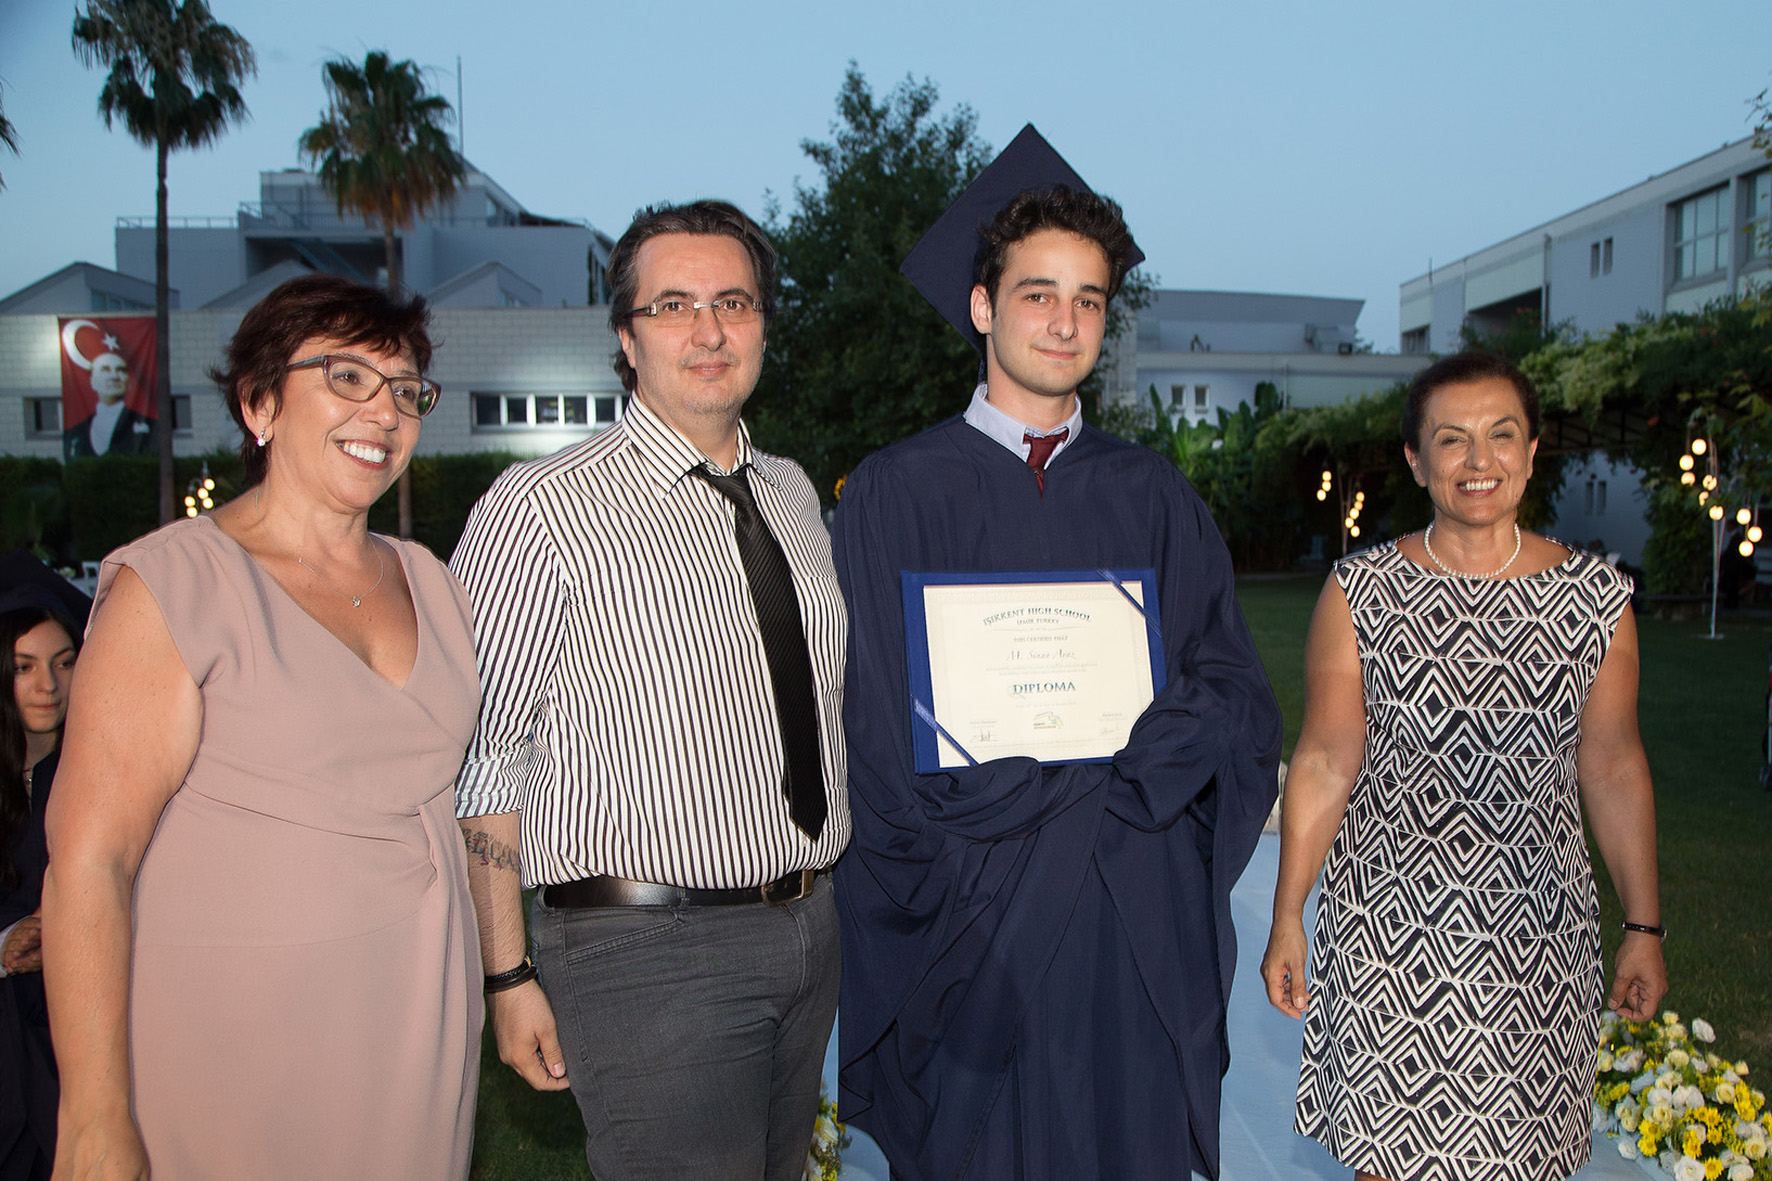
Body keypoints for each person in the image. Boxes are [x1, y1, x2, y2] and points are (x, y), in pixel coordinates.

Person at [834, 126, 1283, 1180]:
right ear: (982, 307)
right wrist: (1001, 824)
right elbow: (870, 721)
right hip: (972, 911)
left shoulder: (1152, 493)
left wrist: (1127, 778)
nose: (1065, 320)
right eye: (1037, 293)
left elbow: (1228, 684)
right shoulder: (895, 490)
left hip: (1128, 901)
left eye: (1089, 299)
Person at [43, 274, 483, 1180]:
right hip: (236, 1050)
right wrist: (93, 1112)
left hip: (417, 1024)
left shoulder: (432, 581)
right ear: (260, 403)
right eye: (348, 377)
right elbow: (90, 861)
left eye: (406, 390)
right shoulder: (177, 584)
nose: (384, 412)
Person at [452, 199, 849, 1181]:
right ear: (626, 339)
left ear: (763, 327)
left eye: (733, 303)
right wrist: (506, 970)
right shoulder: (540, 508)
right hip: (645, 950)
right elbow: (484, 756)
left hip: (808, 927)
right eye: (673, 305)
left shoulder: (794, 494)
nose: (708, 331)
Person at [1260, 351, 1666, 1181]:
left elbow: (1614, 766)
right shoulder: (1360, 591)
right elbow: (1327, 757)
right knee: (1385, 1161)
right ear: (1417, 460)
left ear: (1532, 449)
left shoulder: (1596, 598)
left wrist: (1643, 927)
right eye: (1452, 439)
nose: (1479, 460)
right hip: (1388, 933)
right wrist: (1288, 911)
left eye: (1501, 435)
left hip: (1536, 938)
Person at [0, 593, 80, 1181]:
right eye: (24, 666)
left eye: (64, 662)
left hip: (78, 1036)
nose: (48, 685)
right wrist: (5, 946)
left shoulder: (107, 775)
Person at [63, 350, 151, 460]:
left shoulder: (147, 424)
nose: (114, 377)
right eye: (105, 370)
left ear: (129, 382)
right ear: (92, 381)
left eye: (121, 370)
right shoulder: (76, 432)